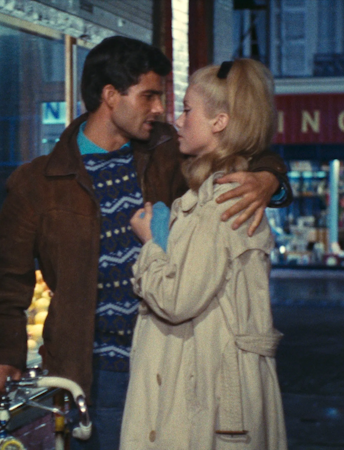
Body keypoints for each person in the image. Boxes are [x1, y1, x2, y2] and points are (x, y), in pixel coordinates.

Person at [0, 36, 291, 449]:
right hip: (96, 373)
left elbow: (240, 146)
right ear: (111, 96)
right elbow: (6, 279)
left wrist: (268, 179)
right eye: (148, 96)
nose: (160, 109)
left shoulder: (169, 151)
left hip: (175, 362)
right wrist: (5, 353)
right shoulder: (38, 183)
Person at [122, 59, 287, 449]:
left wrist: (150, 244)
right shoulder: (220, 193)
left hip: (204, 394)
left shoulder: (222, 203)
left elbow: (177, 299)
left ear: (220, 122)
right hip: (208, 386)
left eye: (186, 110)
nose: (177, 120)